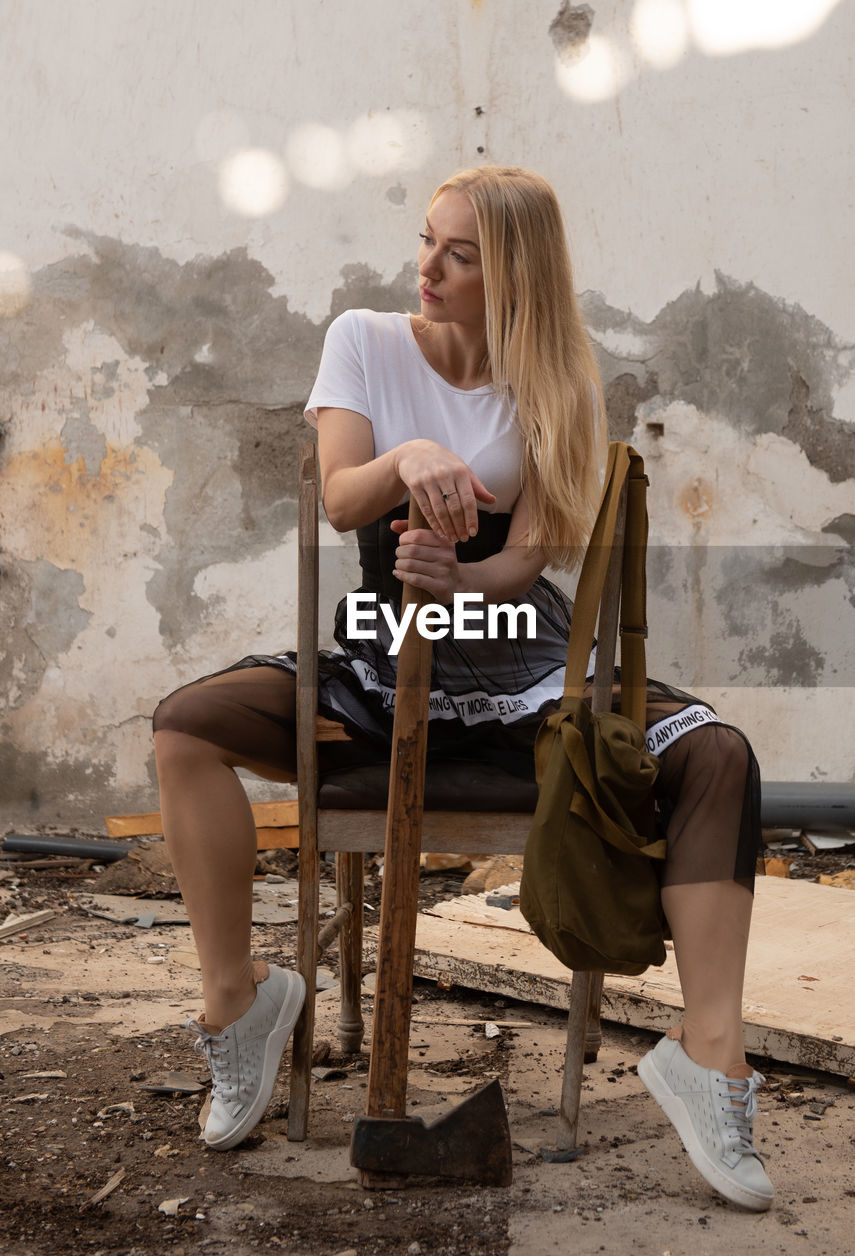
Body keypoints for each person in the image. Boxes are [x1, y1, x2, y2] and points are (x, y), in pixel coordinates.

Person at [152, 166, 773, 1209]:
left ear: (514, 274)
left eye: (459, 253)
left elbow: (525, 563)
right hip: (382, 645)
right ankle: (240, 1004)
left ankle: (708, 1055)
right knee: (184, 727)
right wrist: (414, 458)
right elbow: (345, 492)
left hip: (514, 645)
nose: (427, 267)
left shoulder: (555, 376)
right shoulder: (364, 337)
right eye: (428, 241)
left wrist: (462, 574)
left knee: (718, 751)